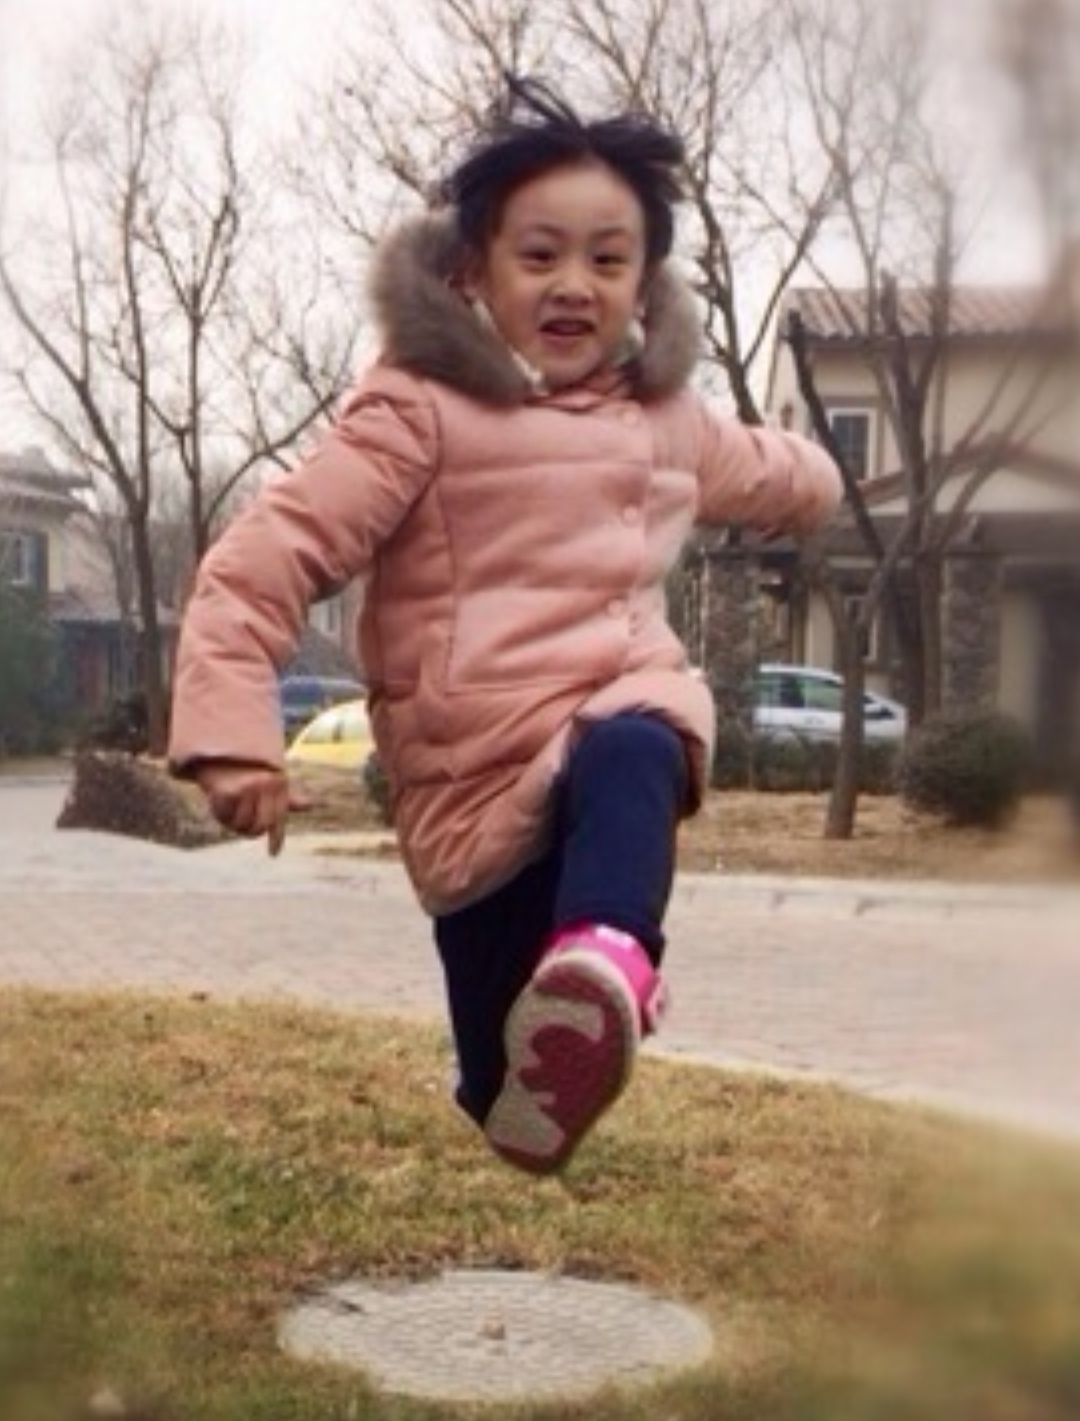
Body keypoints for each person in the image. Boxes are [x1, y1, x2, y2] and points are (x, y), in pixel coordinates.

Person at [168, 77, 841, 1175]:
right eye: (540, 255)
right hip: (476, 787)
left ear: (643, 285)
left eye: (608, 260)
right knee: (504, 1099)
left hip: (612, 722)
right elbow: (270, 555)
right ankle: (547, 1037)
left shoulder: (664, 419)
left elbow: (764, 469)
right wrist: (235, 734)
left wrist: (819, 479)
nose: (574, 283)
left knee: (640, 744)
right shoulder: (418, 409)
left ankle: (609, 956)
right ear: (473, 269)